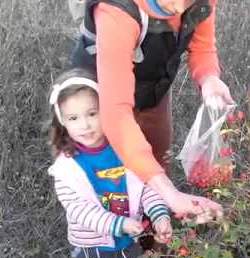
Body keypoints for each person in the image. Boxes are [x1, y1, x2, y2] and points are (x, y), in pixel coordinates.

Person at [71, 0, 233, 224]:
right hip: (98, 102)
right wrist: (171, 194)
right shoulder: (116, 11)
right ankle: (116, 249)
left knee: (155, 165)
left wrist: (208, 78)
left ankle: (153, 245)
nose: (179, 8)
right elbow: (116, 115)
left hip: (153, 90)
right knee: (111, 184)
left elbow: (202, 47)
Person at [46, 68, 172, 258]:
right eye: (74, 118)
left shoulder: (126, 149)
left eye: (93, 113)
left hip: (129, 242)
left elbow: (147, 187)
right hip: (92, 246)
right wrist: (118, 224)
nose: (86, 125)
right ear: (62, 122)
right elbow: (78, 210)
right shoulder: (66, 169)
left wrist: (160, 214)